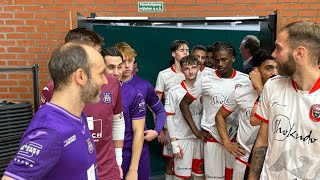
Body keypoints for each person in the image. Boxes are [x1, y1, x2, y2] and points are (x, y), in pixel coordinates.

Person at [2, 43, 108, 180]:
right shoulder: (49, 131)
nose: (105, 81)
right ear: (81, 76)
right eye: (100, 74)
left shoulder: (77, 116)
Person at [41, 28, 125, 180]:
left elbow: (117, 121)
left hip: (107, 170)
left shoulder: (112, 83)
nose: (105, 79)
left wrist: (118, 160)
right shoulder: (51, 93)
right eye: (96, 52)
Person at [248, 21, 320, 180]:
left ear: (299, 53)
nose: (273, 54)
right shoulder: (273, 86)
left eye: (279, 48)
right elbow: (262, 140)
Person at [180, 42, 251, 180]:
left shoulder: (245, 79)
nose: (219, 64)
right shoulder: (205, 79)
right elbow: (183, 104)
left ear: (233, 58)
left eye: (224, 59)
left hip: (237, 140)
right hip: (213, 138)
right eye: (216, 60)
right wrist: (196, 131)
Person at [215, 49, 278, 180]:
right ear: (256, 71)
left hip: (270, 163)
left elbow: (272, 115)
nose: (275, 73)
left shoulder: (283, 94)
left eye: (277, 68)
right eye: (269, 68)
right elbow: (219, 116)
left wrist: (260, 88)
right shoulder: (241, 92)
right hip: (244, 161)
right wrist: (227, 142)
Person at [115, 42, 166, 179]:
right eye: (123, 62)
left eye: (130, 61)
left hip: (139, 146)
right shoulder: (106, 86)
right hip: (115, 148)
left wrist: (156, 130)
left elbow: (160, 111)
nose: (127, 65)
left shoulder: (143, 85)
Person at [165, 55, 204, 180]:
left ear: (199, 68)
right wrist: (174, 142)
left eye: (193, 67)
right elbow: (169, 118)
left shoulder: (205, 89)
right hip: (182, 139)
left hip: (201, 139)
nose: (191, 71)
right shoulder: (174, 91)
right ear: (181, 70)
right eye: (187, 68)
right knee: (182, 177)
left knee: (199, 176)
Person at [155, 40, 189, 180]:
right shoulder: (164, 75)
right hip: (170, 126)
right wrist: (159, 128)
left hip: (189, 126)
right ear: (174, 53)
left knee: (189, 162)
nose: (186, 52)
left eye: (187, 50)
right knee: (171, 160)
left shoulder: (193, 74)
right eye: (182, 50)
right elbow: (155, 103)